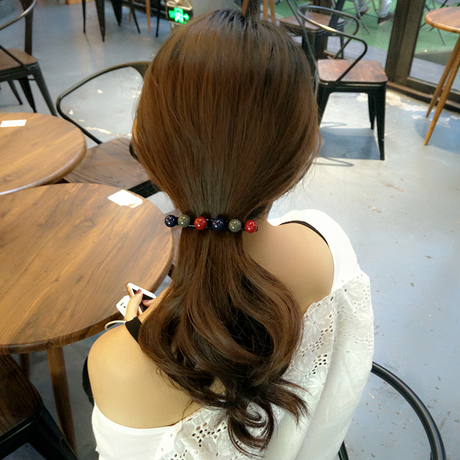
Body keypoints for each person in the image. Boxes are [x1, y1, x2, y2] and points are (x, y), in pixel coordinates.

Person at [87, 5, 374, 460]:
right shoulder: (327, 242)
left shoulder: (119, 364)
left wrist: (143, 324)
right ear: (301, 154)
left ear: (149, 148)